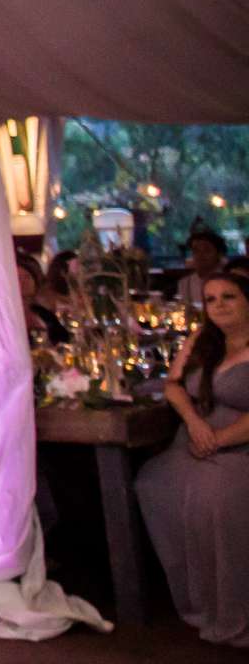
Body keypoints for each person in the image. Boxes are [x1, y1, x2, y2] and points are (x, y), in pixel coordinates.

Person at [140, 269, 249, 647]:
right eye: (212, 299)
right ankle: (195, 598)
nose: (219, 305)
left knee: (214, 497)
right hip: (195, 440)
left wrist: (217, 438)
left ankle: (234, 610)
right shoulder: (203, 340)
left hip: (239, 444)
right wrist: (193, 421)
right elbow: (172, 384)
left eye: (229, 297)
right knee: (151, 483)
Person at [14, 252, 70, 345]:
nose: (23, 282)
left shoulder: (43, 312)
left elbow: (63, 339)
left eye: (27, 277)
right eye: (19, 278)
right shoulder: (9, 314)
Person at [179, 229, 228, 310]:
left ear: (219, 254)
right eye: (196, 250)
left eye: (207, 250)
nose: (200, 255)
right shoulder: (185, 283)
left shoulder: (229, 281)